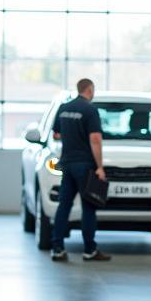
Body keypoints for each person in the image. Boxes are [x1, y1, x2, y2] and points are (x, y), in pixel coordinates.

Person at [50, 78, 110, 262]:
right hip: (84, 165)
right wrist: (100, 167)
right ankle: (89, 250)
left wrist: (72, 137)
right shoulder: (90, 110)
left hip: (67, 163)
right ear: (90, 90)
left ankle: (57, 248)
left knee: (64, 205)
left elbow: (56, 134)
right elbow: (95, 140)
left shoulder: (64, 108)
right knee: (89, 207)